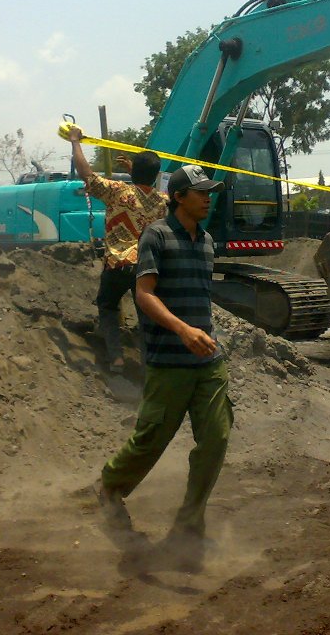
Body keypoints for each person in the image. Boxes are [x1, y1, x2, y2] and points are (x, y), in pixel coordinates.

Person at [98, 164, 232, 564]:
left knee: (217, 438)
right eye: (201, 192)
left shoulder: (207, 241)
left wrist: (202, 334)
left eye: (210, 191)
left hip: (207, 360)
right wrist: (182, 330)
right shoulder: (156, 235)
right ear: (178, 197)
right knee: (151, 440)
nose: (209, 197)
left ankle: (188, 530)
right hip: (169, 360)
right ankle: (108, 487)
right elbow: (144, 294)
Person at [68, 126, 167, 373]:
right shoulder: (163, 201)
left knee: (108, 305)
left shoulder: (118, 192)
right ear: (156, 175)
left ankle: (117, 359)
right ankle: (149, 366)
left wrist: (75, 142)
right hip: (147, 267)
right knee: (146, 316)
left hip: (118, 263)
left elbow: (86, 175)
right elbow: (144, 192)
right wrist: (137, 174)